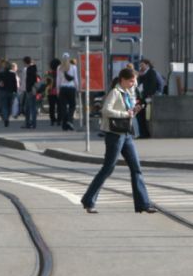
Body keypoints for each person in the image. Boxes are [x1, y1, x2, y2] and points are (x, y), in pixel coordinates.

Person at [81, 68, 156, 215]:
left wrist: (135, 110)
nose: (134, 83)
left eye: (134, 80)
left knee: (136, 168)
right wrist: (124, 114)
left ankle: (144, 204)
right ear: (123, 79)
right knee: (108, 168)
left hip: (126, 134)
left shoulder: (129, 92)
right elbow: (105, 110)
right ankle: (89, 201)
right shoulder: (115, 92)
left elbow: (129, 111)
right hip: (114, 135)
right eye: (131, 80)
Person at [56, 53, 79, 131]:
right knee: (72, 105)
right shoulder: (73, 67)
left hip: (63, 89)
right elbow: (75, 79)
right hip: (71, 88)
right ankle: (69, 120)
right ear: (69, 58)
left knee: (63, 107)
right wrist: (78, 88)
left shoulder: (59, 68)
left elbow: (58, 80)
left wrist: (57, 89)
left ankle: (64, 125)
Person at [0, 62, 18, 127]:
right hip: (10, 91)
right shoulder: (13, 74)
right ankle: (7, 117)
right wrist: (15, 91)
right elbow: (15, 83)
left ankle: (5, 118)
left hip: (3, 91)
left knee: (4, 106)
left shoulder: (1, 74)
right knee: (9, 106)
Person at [21, 56, 38, 129]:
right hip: (32, 89)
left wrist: (25, 89)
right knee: (29, 107)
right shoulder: (34, 68)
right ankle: (30, 123)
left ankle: (30, 123)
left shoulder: (28, 69)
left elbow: (27, 81)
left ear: (25, 62)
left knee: (30, 107)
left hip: (29, 90)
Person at [46, 58, 60, 126]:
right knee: (59, 106)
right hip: (58, 91)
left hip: (50, 91)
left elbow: (47, 82)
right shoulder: (60, 73)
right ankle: (59, 120)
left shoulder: (49, 73)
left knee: (51, 107)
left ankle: (52, 120)